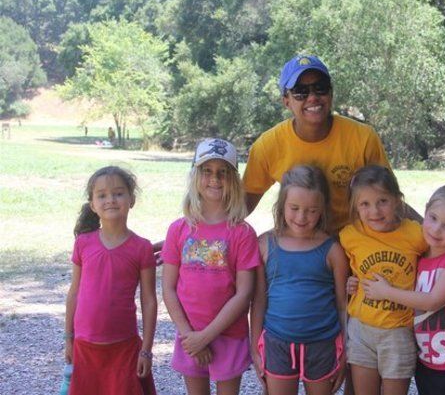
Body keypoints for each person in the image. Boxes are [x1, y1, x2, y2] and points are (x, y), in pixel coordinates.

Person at [243, 54, 418, 232]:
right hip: (301, 239)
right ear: (286, 101)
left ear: (331, 92)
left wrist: (431, 229)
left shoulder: (362, 137)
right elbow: (240, 208)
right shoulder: (267, 146)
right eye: (300, 91)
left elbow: (389, 199)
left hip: (356, 240)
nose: (312, 97)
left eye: (320, 88)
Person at [161, 138, 260, 395]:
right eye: (207, 171)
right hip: (189, 335)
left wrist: (206, 336)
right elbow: (169, 289)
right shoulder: (178, 229)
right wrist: (190, 336)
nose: (214, 179)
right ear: (195, 175)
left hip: (228, 335)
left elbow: (244, 293)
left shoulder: (242, 233)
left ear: (233, 180)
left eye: (223, 172)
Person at [361, 184, 445, 395]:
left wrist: (386, 292)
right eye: (433, 218)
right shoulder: (417, 257)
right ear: (424, 212)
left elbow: (432, 301)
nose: (436, 229)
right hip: (426, 361)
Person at [251, 165, 349, 395]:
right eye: (294, 208)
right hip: (277, 344)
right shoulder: (265, 244)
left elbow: (343, 304)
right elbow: (258, 302)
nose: (302, 217)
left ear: (323, 209)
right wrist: (255, 347)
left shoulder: (332, 250)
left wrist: (346, 350)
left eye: (311, 210)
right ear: (281, 205)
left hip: (322, 345)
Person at [64, 166, 157, 395]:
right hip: (85, 347)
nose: (111, 200)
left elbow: (149, 301)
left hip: (124, 348)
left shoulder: (142, 248)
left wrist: (146, 350)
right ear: (93, 204)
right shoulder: (83, 244)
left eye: (118, 193)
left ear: (131, 199)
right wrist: (69, 338)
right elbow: (74, 293)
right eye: (102, 195)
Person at [340, 165, 428, 395]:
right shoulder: (350, 235)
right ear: (355, 207)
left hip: (397, 331)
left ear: (398, 201)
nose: (374, 211)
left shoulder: (416, 234)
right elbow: (351, 268)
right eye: (365, 204)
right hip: (361, 329)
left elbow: (436, 261)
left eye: (382, 201)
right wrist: (351, 281)